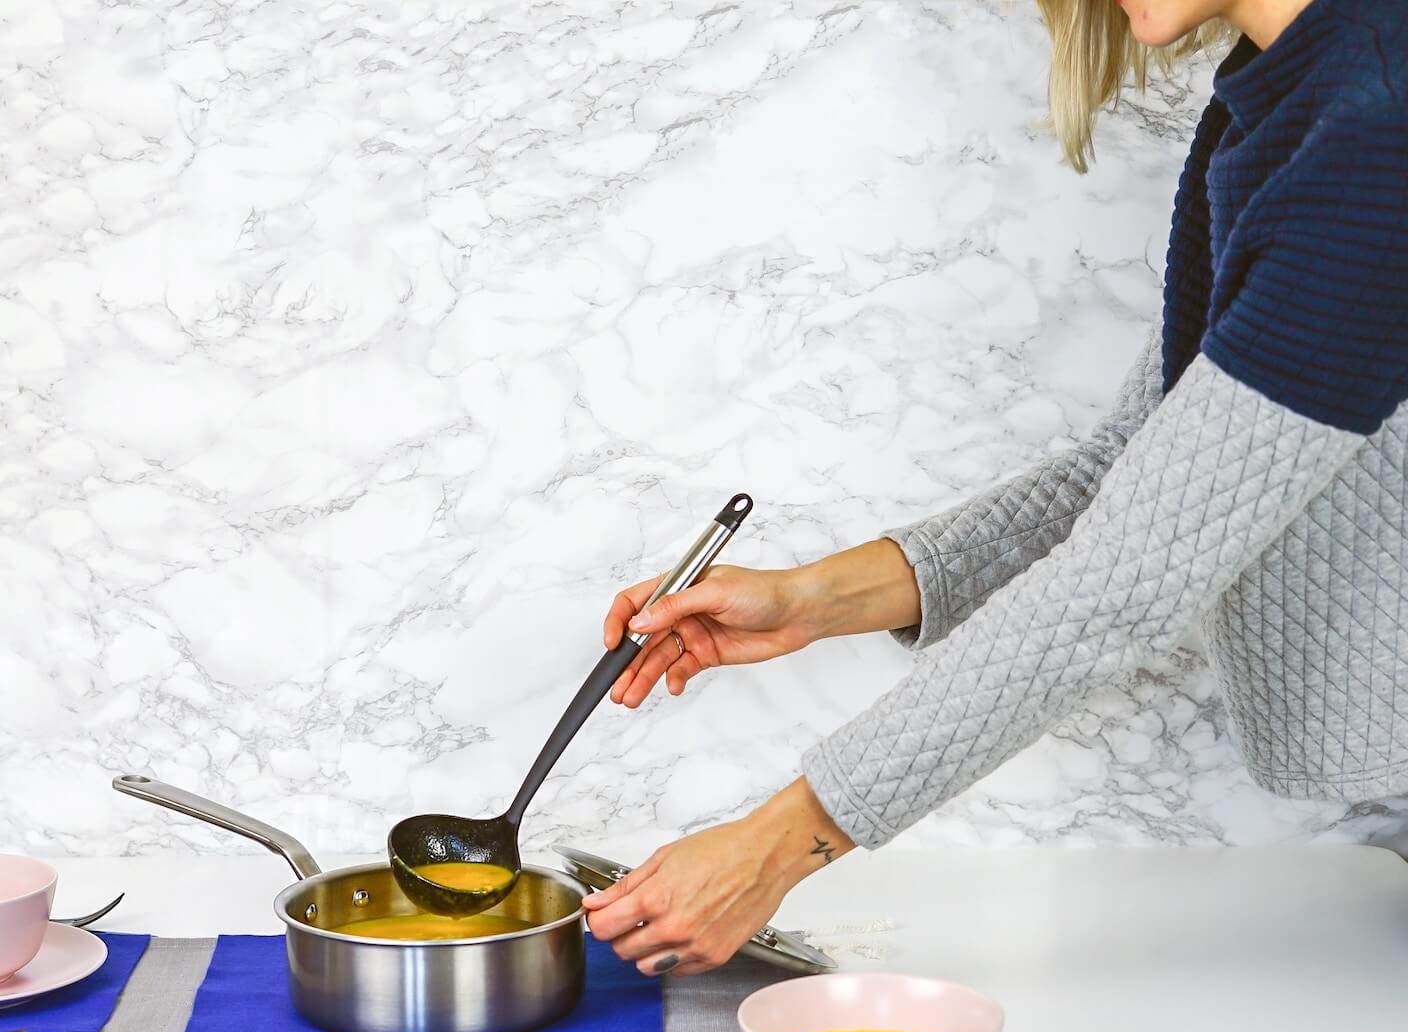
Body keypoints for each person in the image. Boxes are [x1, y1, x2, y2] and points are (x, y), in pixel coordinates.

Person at [583, 0, 1407, 977]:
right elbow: (1141, 471)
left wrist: (776, 848)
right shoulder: (1275, 106)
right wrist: (812, 599)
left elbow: (1130, 574)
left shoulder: (1375, 129)